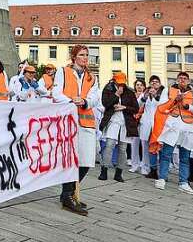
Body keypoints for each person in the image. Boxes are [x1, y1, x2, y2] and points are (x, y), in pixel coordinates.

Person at [53, 45, 101, 215]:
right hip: (68, 120)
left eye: (87, 55)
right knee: (71, 160)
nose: (85, 57)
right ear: (74, 57)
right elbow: (56, 92)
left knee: (87, 160)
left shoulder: (91, 77)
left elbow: (96, 97)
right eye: (81, 55)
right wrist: (71, 100)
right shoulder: (63, 72)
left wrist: (86, 101)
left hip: (86, 121)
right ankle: (67, 195)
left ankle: (69, 192)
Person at [149, 71, 193, 192]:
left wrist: (188, 107)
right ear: (176, 80)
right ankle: (162, 179)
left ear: (188, 81)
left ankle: (183, 182)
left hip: (187, 128)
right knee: (166, 154)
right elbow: (161, 107)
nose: (182, 80)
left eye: (185, 78)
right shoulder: (169, 90)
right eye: (180, 78)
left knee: (185, 157)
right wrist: (175, 100)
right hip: (173, 126)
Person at [98, 73, 138, 182]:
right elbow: (105, 103)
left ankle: (119, 173)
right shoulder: (108, 89)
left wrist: (124, 107)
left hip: (125, 123)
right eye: (118, 82)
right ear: (114, 81)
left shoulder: (129, 92)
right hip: (112, 121)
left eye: (122, 82)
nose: (121, 85)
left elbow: (136, 108)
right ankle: (104, 170)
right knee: (109, 145)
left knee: (122, 148)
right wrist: (116, 94)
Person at [138, 76, 164, 178]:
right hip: (147, 124)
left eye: (156, 82)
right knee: (149, 148)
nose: (154, 83)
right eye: (152, 82)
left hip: (159, 124)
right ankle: (152, 169)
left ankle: (162, 170)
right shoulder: (146, 93)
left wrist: (156, 96)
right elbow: (138, 103)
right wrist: (144, 97)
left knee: (160, 148)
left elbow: (163, 105)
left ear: (160, 83)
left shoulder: (164, 93)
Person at [126, 78, 147, 173]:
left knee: (143, 145)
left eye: (141, 85)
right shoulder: (132, 96)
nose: (139, 86)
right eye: (137, 85)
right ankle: (135, 165)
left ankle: (144, 166)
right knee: (134, 144)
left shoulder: (145, 96)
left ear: (144, 87)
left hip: (142, 122)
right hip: (133, 122)